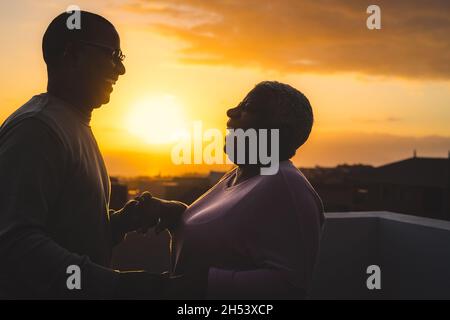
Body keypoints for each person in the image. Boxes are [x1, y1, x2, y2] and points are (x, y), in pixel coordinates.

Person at [0, 11, 185, 299]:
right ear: (72, 54)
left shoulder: (71, 124)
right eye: (112, 54)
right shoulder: (38, 129)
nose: (121, 70)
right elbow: (15, 243)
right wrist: (122, 285)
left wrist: (123, 221)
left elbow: (65, 232)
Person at [157, 81, 325, 299]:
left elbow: (291, 286)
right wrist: (177, 216)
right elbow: (228, 234)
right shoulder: (239, 175)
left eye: (247, 107)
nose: (231, 111)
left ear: (278, 131)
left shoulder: (287, 186)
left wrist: (202, 285)